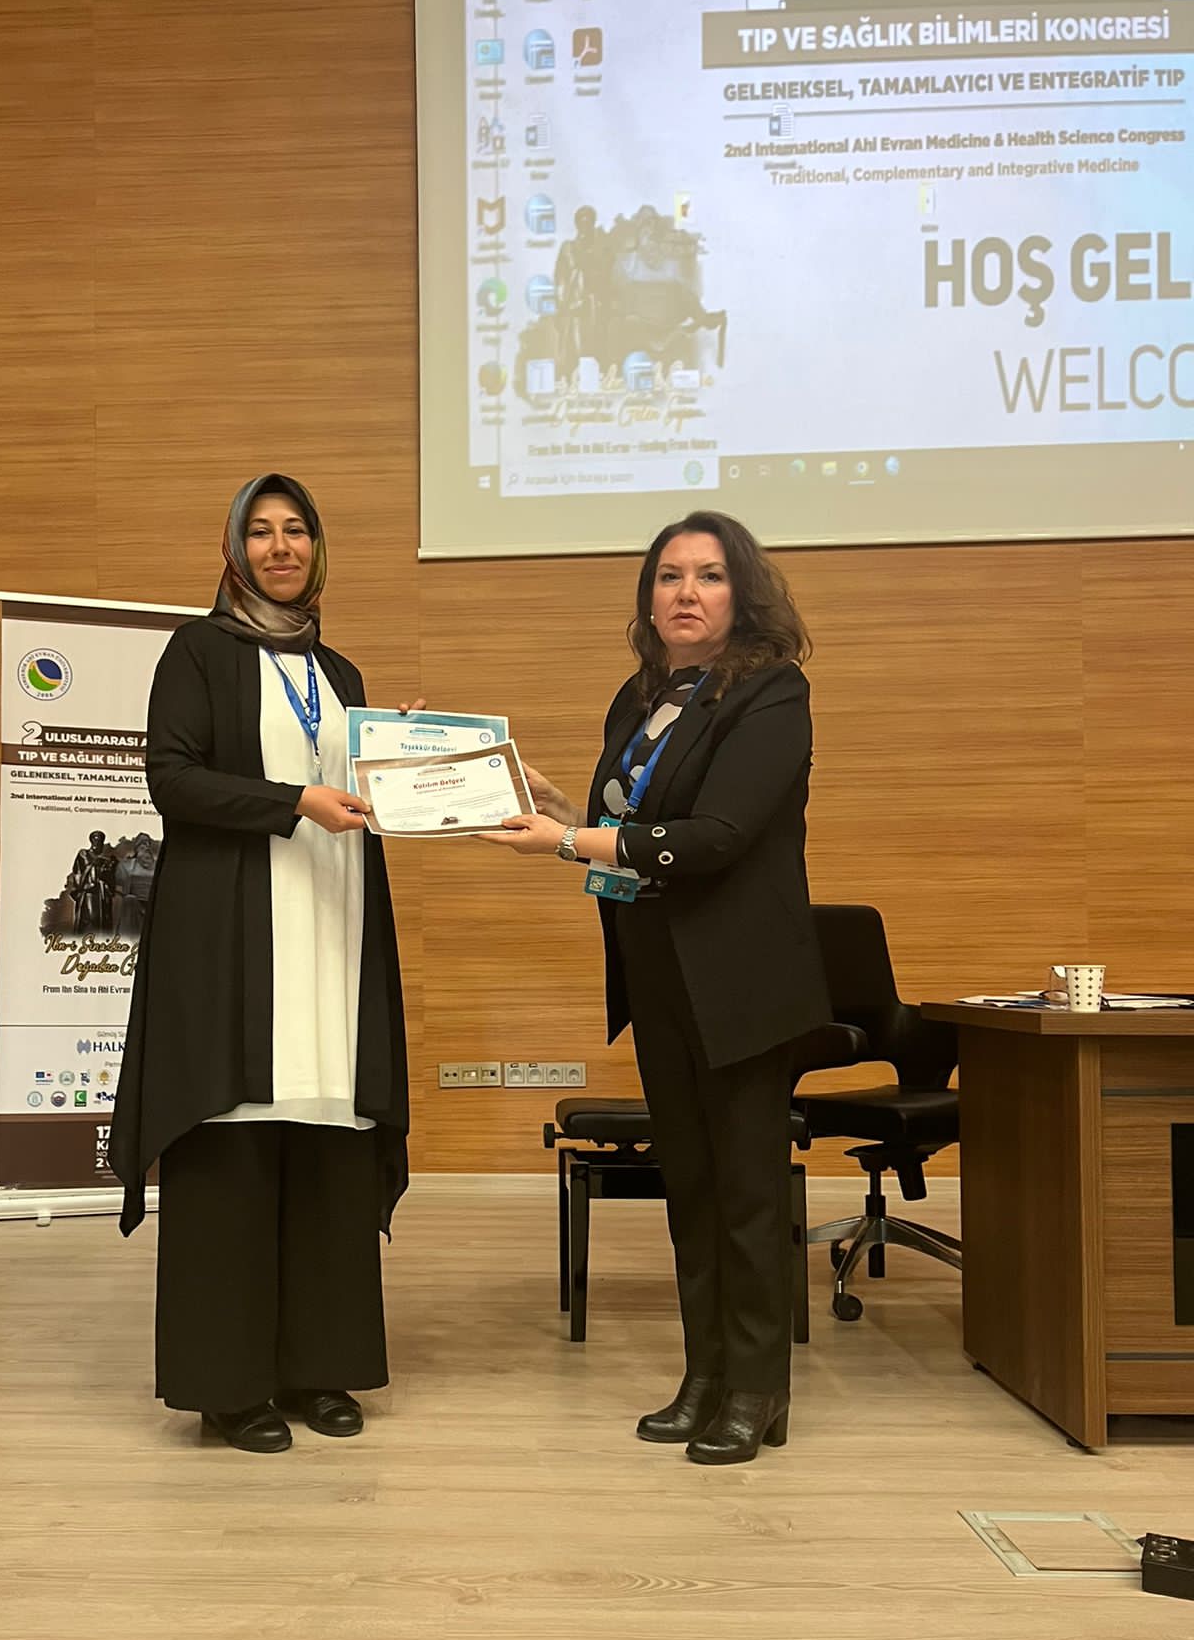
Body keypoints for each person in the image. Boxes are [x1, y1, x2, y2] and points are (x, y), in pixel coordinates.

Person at [483, 511, 829, 1464]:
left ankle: (756, 1390)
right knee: (693, 1191)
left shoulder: (773, 692)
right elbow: (632, 818)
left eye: (709, 576)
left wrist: (568, 841)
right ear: (648, 597)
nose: (686, 593)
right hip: (661, 975)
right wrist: (562, 808)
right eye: (669, 576)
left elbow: (716, 836)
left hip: (742, 982)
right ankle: (705, 1377)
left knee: (747, 1194)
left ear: (741, 594)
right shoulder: (639, 699)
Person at [110, 474, 409, 1454]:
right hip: (232, 937)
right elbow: (173, 778)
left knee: (327, 1137)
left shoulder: (341, 671)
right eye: (262, 531)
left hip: (332, 927)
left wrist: (398, 756)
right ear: (235, 550)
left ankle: (319, 1366)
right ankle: (229, 1386)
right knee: (234, 1143)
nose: (282, 547)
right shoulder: (197, 651)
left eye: (298, 531)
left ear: (318, 550)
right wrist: (293, 803)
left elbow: (352, 791)